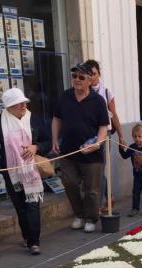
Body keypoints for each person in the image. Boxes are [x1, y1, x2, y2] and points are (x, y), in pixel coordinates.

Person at [0, 88, 49, 255]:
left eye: (24, 102)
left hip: (32, 170)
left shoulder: (34, 120)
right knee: (20, 207)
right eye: (18, 103)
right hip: (11, 173)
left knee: (32, 205)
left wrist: (37, 147)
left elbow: (47, 141)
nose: (23, 105)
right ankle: (28, 238)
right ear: (8, 107)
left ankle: (34, 242)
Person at [52, 62, 109, 233]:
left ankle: (91, 218)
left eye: (81, 77)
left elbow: (103, 126)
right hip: (68, 151)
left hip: (91, 155)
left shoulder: (98, 101)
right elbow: (56, 118)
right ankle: (79, 215)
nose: (76, 80)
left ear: (90, 80)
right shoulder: (65, 96)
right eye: (74, 76)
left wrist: (97, 144)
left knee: (91, 190)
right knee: (69, 183)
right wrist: (55, 139)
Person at [84, 58, 125, 215]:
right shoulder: (83, 91)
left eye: (93, 73)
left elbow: (113, 114)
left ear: (99, 74)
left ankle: (101, 204)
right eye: (88, 74)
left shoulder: (106, 91)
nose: (91, 77)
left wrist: (121, 136)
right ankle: (109, 196)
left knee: (99, 168)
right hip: (88, 134)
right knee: (92, 170)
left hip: (104, 133)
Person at [119, 124, 142, 217]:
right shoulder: (132, 147)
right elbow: (124, 156)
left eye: (139, 136)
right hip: (137, 175)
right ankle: (135, 208)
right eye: (135, 137)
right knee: (136, 192)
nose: (137, 139)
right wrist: (120, 147)